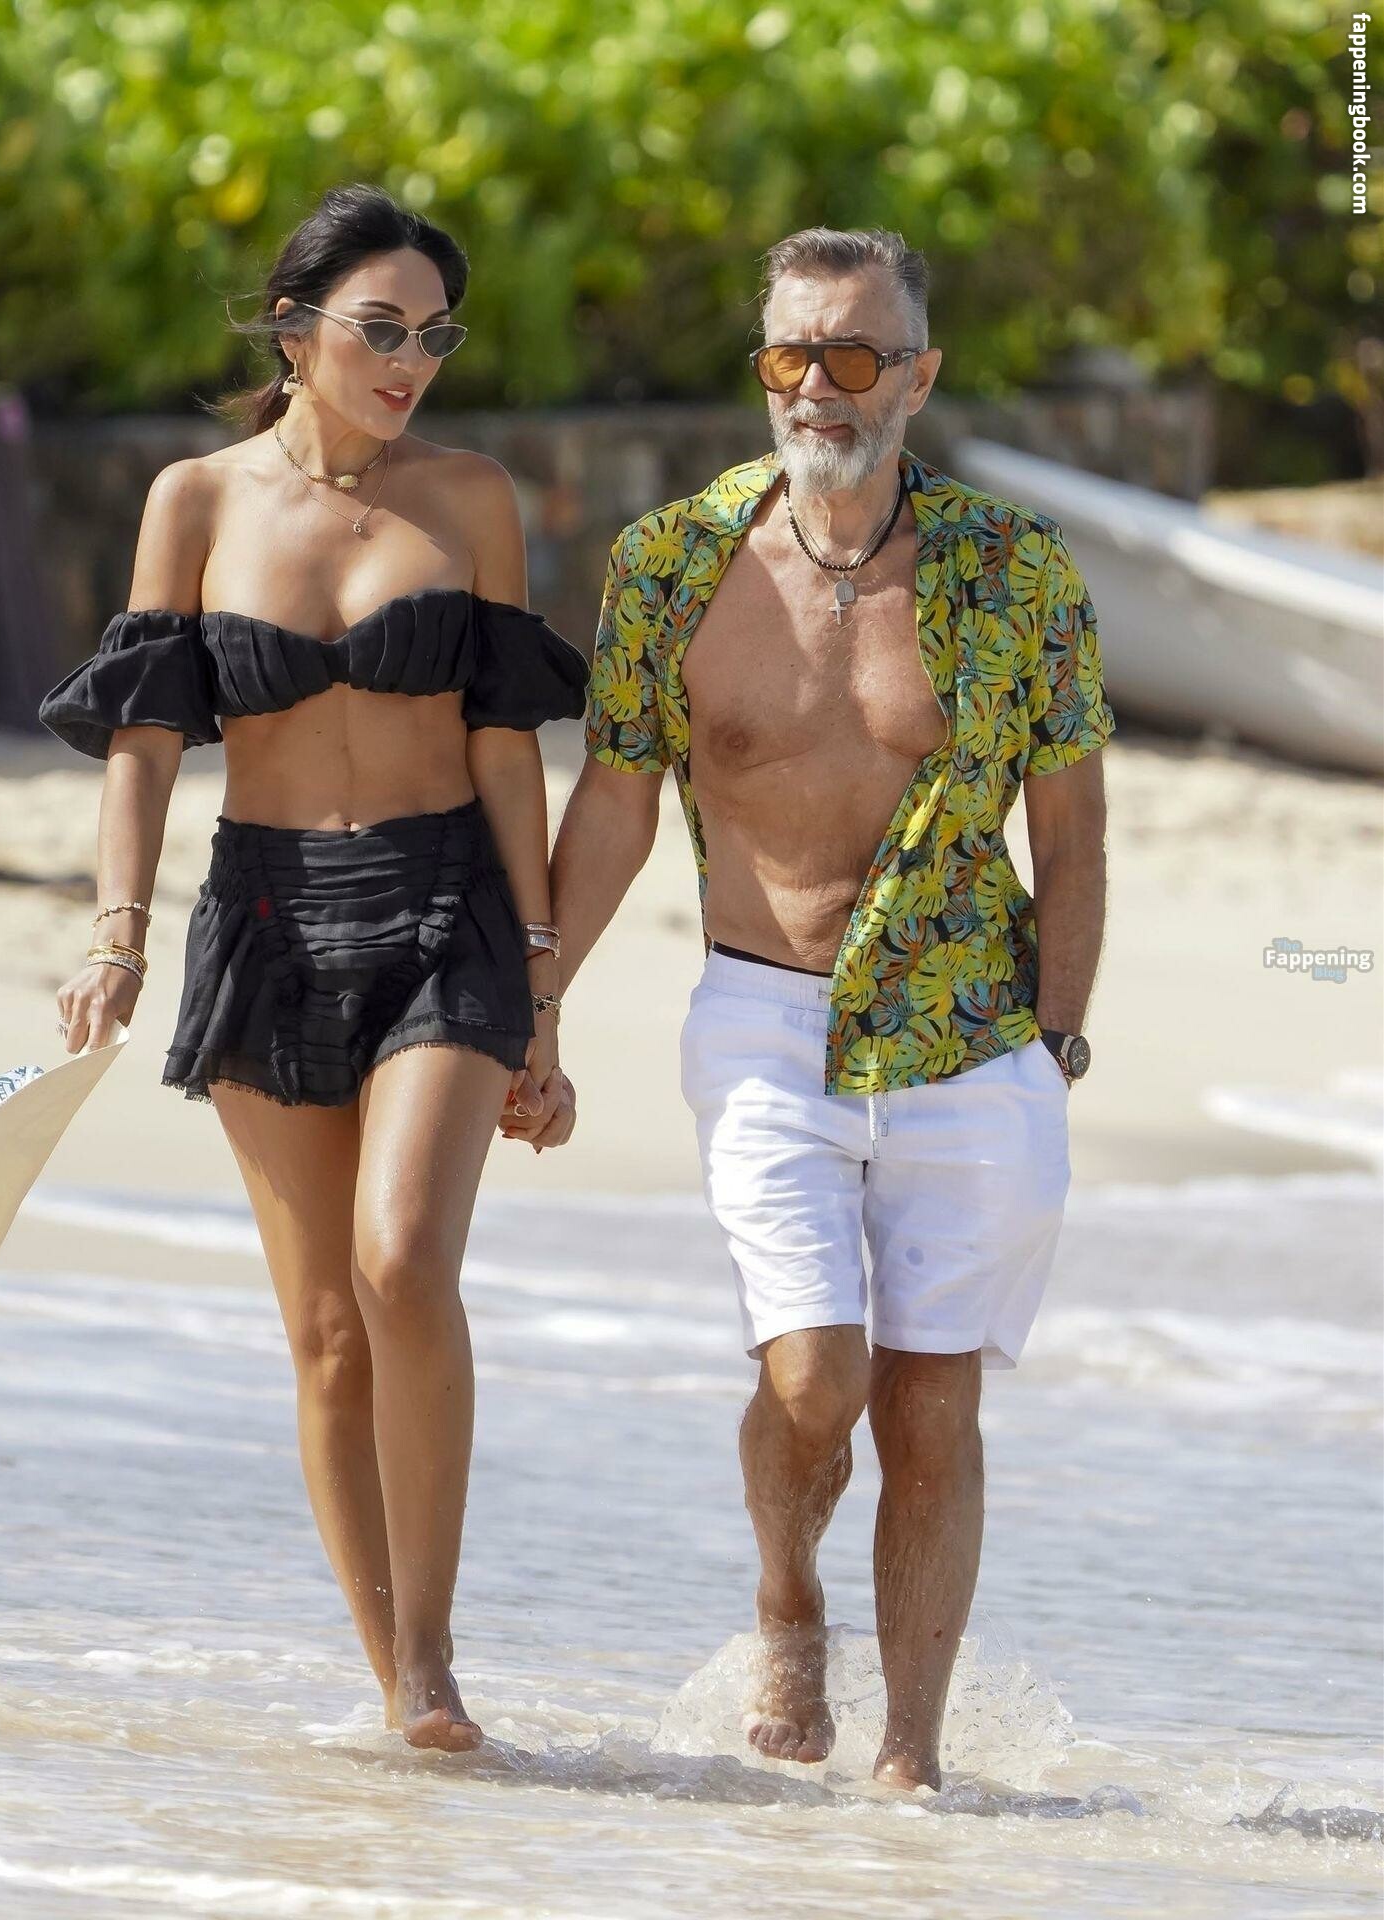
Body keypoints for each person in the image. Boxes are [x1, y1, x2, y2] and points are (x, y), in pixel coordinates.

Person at [516, 226, 1112, 1789]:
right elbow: (614, 804)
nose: (819, 387)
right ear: (761, 368)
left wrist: (1054, 1042)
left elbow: (1070, 829)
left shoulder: (1014, 570)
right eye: (792, 353)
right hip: (764, 1019)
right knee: (813, 1379)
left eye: (855, 355)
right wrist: (538, 1006)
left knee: (930, 1411)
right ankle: (788, 1598)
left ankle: (909, 1760)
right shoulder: (672, 562)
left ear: (917, 376)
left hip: (969, 1033)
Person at [39, 183, 582, 1752]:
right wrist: (117, 932)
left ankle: (437, 1656)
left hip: (444, 913)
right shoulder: (196, 502)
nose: (410, 362)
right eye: (380, 330)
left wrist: (541, 993)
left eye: (435, 336)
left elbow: (506, 744)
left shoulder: (468, 498)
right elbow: (146, 739)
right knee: (327, 1334)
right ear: (292, 331)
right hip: (267, 920)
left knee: (401, 1263)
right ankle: (398, 1683)